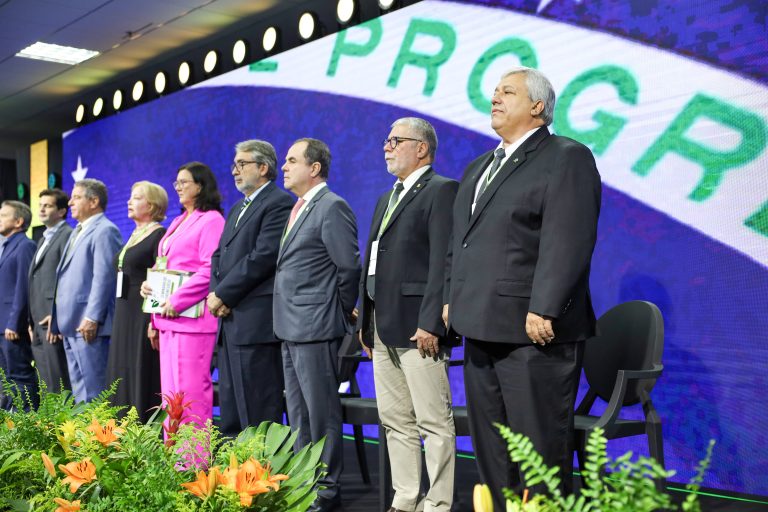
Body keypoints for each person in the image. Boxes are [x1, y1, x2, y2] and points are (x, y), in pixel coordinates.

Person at [443, 67, 601, 508]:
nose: (495, 98)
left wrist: (545, 306)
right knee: (492, 448)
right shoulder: (479, 167)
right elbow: (460, 242)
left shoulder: (566, 156)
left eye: (507, 92)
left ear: (537, 106)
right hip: (478, 326)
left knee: (538, 453)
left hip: (533, 333)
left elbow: (568, 239)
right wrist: (451, 299)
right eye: (495, 91)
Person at [357, 118, 458, 512]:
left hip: (419, 326)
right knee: (394, 419)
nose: (387, 147)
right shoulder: (387, 197)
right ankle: (405, 498)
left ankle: (437, 504)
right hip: (381, 325)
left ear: (422, 148)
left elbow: (444, 261)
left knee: (433, 422)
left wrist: (432, 321)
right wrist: (365, 322)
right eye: (386, 140)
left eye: (395, 140)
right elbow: (373, 261)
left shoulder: (441, 190)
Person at [274, 138, 361, 512]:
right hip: (289, 327)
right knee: (298, 416)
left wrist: (338, 312)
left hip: (316, 326)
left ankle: (325, 490)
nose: (284, 166)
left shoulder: (331, 206)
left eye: (292, 160)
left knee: (321, 414)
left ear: (314, 168)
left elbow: (348, 267)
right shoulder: (299, 208)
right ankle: (302, 484)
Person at [207, 140, 292, 436]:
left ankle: (261, 466)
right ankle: (235, 465)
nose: (235, 171)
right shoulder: (237, 208)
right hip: (230, 320)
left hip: (255, 321)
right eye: (235, 165)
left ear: (263, 167)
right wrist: (216, 294)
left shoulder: (278, 203)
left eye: (242, 164)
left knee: (257, 409)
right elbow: (218, 255)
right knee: (231, 409)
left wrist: (223, 294)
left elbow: (263, 256)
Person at [141, 162, 225, 429]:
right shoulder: (178, 221)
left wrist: (177, 301)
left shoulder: (212, 220)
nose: (177, 187)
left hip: (193, 320)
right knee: (171, 398)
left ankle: (193, 454)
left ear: (200, 186)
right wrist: (150, 288)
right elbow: (165, 264)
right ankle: (172, 453)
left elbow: (209, 268)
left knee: (190, 394)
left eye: (184, 182)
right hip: (168, 319)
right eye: (176, 182)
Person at [51, 179, 123, 403]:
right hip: (70, 323)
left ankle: (97, 428)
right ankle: (83, 427)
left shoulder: (105, 230)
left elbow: (104, 277)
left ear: (94, 202)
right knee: (79, 391)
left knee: (94, 391)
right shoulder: (77, 231)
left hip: (89, 324)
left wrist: (92, 317)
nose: (70, 203)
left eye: (76, 197)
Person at [106, 181, 167, 422]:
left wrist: (155, 320)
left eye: (137, 198)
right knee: (122, 367)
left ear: (151, 205)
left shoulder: (159, 235)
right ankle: (118, 426)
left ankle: (142, 424)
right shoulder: (133, 235)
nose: (129, 201)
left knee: (140, 366)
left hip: (142, 312)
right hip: (123, 311)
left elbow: (161, 277)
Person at [28, 189, 72, 394]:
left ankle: (62, 416)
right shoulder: (42, 239)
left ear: (62, 211)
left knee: (58, 380)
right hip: (37, 318)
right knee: (45, 380)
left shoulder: (67, 236)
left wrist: (57, 313)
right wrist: (29, 319)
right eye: (40, 205)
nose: (42, 209)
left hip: (51, 318)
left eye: (48, 205)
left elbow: (67, 278)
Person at [0, 201, 37, 409]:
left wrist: (15, 323)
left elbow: (24, 288)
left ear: (18, 221)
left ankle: (27, 419)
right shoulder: (7, 245)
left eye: (3, 215)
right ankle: (10, 422)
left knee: (20, 377)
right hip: (3, 325)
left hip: (13, 327)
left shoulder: (25, 245)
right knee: (6, 379)